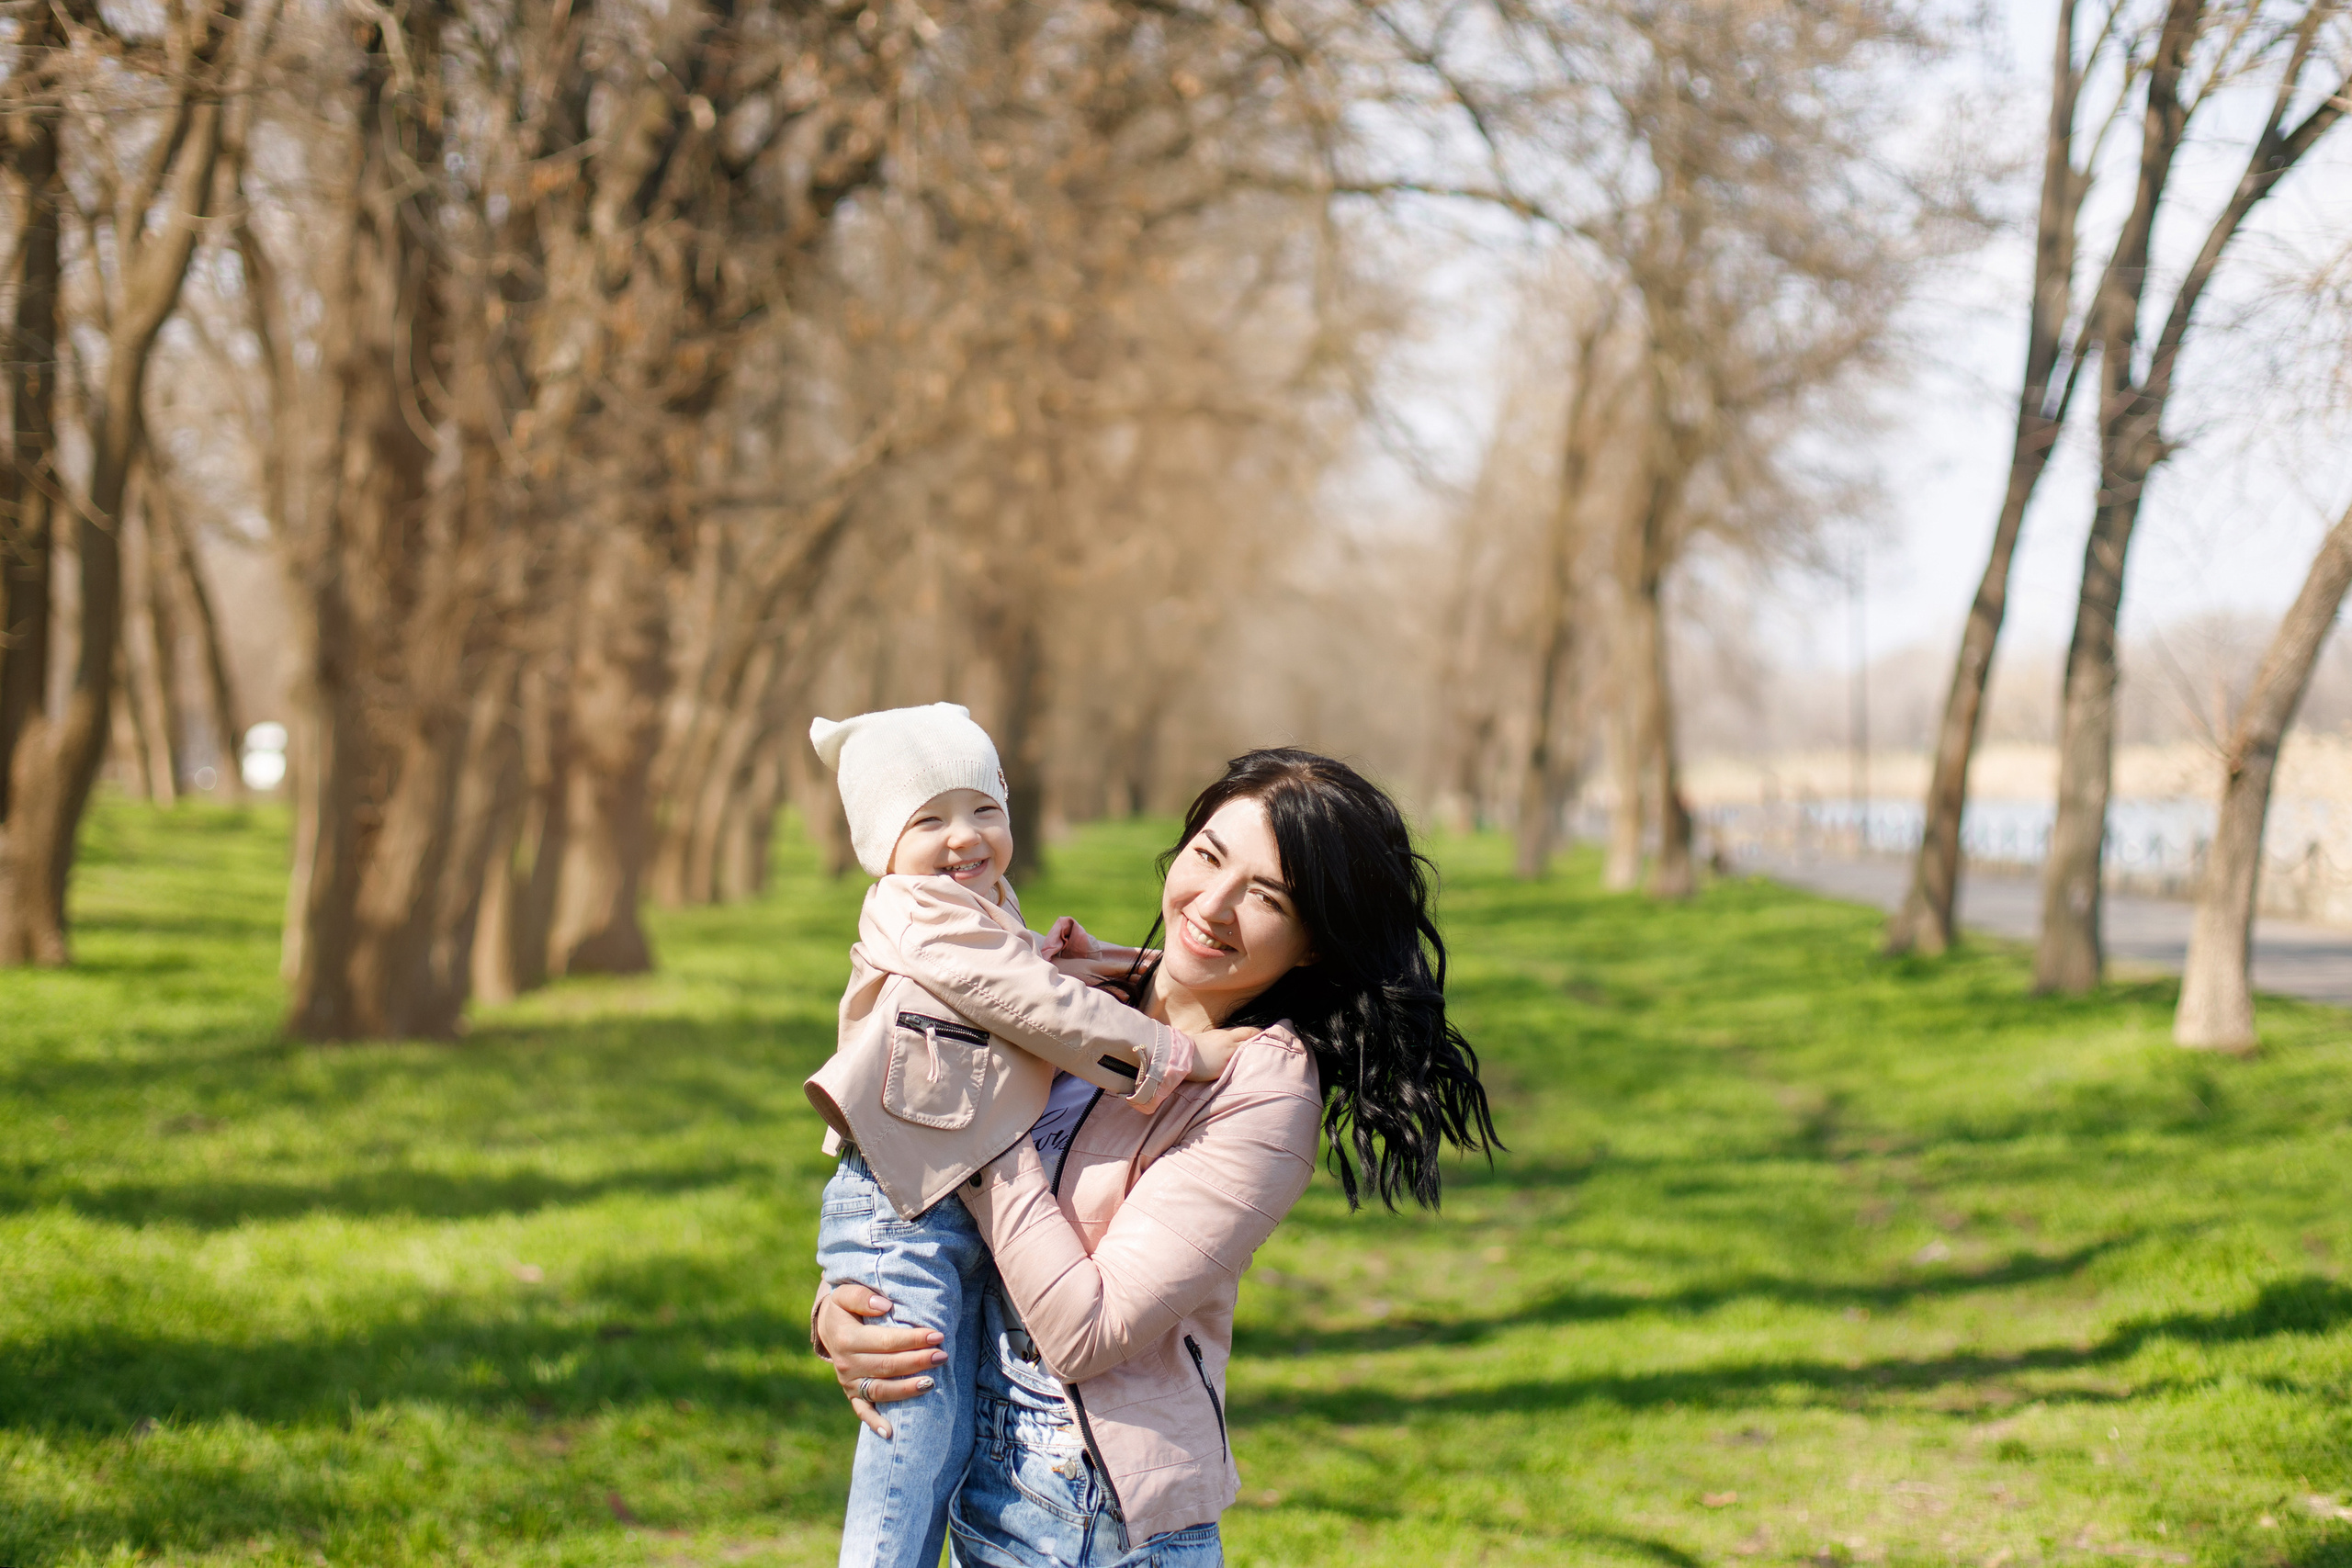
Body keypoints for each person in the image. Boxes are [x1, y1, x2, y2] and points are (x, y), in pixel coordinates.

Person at [814, 748, 1499, 1564]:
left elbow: (1086, 1328)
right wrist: (847, 1319)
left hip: (1093, 1526)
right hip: (983, 1502)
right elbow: (918, 1198)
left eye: (1268, 895)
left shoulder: (1265, 1091)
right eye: (1208, 856)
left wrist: (975, 1129)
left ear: (1314, 942)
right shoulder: (1070, 998)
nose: (1213, 906)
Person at [803, 704, 1245, 1568]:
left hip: (937, 1196)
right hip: (901, 1205)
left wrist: (1105, 965)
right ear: (881, 845)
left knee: (943, 1427)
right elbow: (1025, 1001)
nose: (964, 837)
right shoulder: (916, 909)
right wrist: (1172, 1051)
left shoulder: (979, 905)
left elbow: (1019, 979)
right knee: (912, 1435)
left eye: (984, 809)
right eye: (927, 819)